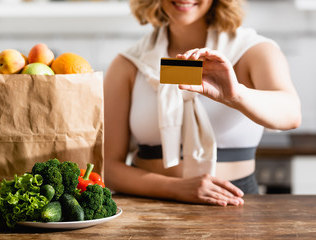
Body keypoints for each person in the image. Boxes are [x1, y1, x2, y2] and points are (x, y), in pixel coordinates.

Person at [104, 0, 301, 206]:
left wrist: (235, 95)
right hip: (148, 204)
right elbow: (108, 167)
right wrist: (175, 189)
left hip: (235, 201)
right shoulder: (128, 63)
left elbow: (291, 114)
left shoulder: (254, 51)